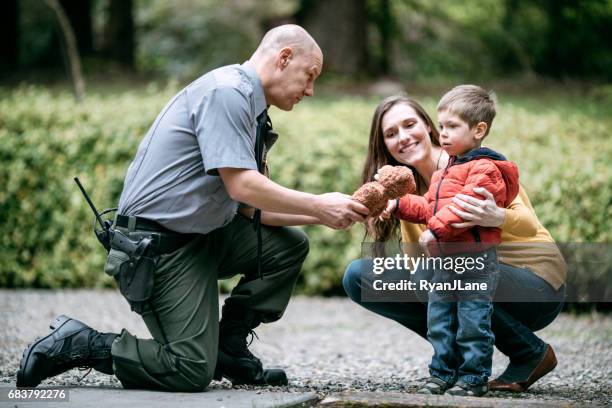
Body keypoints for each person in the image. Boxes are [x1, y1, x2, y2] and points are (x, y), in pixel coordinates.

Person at [17, 24, 369, 392]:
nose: (310, 90)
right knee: (188, 369)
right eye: (309, 76)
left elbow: (249, 206)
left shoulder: (254, 109)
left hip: (201, 237)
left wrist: (329, 214)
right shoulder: (227, 92)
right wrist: (318, 204)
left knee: (288, 246)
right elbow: (243, 184)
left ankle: (228, 349)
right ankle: (80, 343)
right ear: (283, 58)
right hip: (155, 250)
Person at [343, 94, 566, 394]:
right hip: (467, 277)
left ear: (429, 127)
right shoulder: (408, 193)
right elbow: (418, 269)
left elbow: (527, 223)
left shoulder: (471, 164)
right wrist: (389, 205)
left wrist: (496, 215)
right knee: (362, 276)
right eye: (391, 134)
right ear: (384, 146)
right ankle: (454, 359)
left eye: (410, 125)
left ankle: (528, 351)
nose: (404, 137)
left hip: (534, 284)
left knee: (432, 272)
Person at [380, 85, 519, 396]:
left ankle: (473, 377)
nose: (442, 134)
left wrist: (435, 231)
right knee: (439, 319)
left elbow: (462, 208)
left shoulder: (485, 169)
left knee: (473, 322)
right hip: (445, 261)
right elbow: (430, 207)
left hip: (475, 261)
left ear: (479, 130)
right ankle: (442, 372)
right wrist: (399, 205)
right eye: (441, 126)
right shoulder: (446, 171)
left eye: (452, 127)